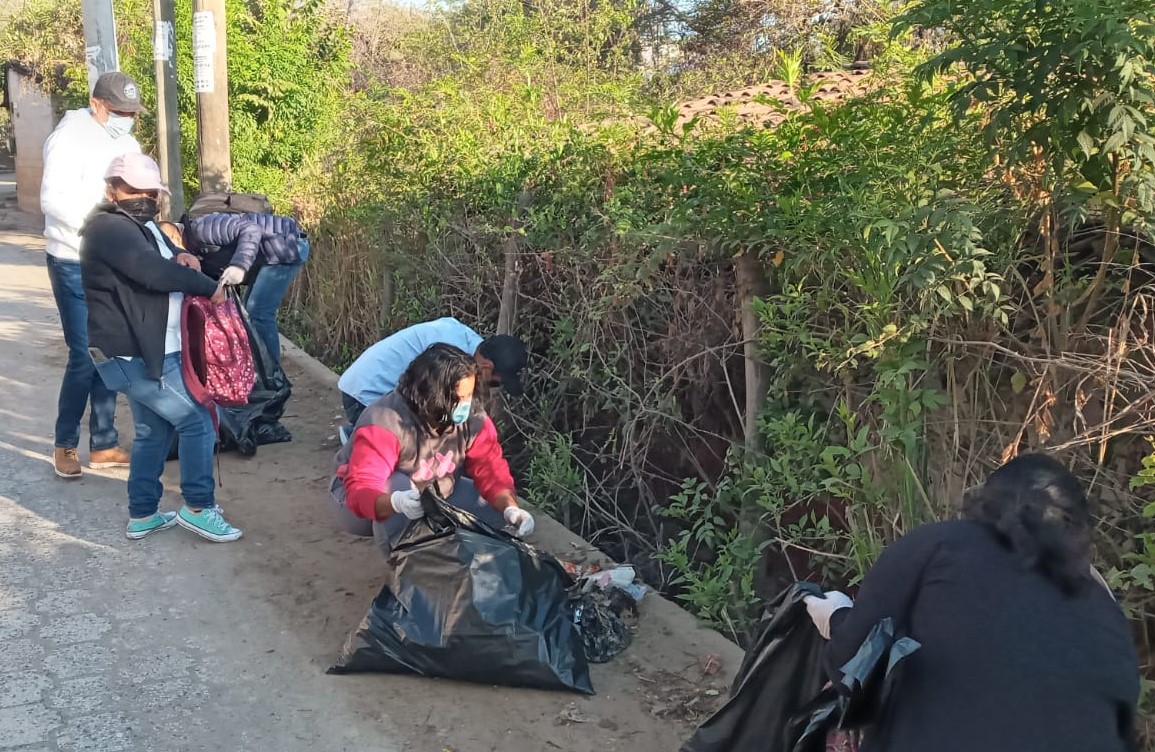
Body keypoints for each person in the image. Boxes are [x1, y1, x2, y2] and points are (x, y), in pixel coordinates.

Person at [803, 453, 1140, 752]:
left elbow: (853, 661)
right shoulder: (1105, 611)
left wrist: (835, 616)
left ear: (988, 500)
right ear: (1079, 527)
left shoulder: (938, 546)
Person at [80, 153, 244, 543]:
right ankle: (199, 507)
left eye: (150, 191)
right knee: (197, 419)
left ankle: (143, 514)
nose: (143, 197)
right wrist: (210, 288)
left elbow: (163, 258)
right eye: (133, 189)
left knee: (153, 431)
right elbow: (151, 272)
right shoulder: (109, 228)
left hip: (151, 348)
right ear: (112, 190)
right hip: (132, 354)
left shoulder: (140, 225)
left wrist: (180, 254)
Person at [328, 343, 534, 557]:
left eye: (469, 396)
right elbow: (363, 489)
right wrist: (396, 503)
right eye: (459, 399)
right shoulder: (384, 422)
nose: (467, 404)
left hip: (432, 492)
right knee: (397, 485)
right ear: (434, 395)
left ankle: (436, 538)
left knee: (494, 509)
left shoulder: (473, 419)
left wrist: (511, 508)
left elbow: (491, 470)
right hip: (359, 504)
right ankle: (405, 564)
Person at [40, 71, 145, 478]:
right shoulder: (67, 140)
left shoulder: (127, 142)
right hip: (72, 259)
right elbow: (51, 200)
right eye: (119, 110)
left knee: (111, 349)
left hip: (114, 261)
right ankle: (65, 443)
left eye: (131, 112)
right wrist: (98, 229)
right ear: (97, 103)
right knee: (84, 355)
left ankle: (103, 443)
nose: (126, 118)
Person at [337, 317, 528, 433]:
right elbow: (431, 411)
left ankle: (359, 429)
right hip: (364, 396)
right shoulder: (449, 357)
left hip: (367, 386)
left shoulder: (468, 345)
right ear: (486, 365)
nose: (494, 386)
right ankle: (358, 433)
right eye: (496, 381)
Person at [182, 212, 309, 367]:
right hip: (272, 251)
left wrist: (239, 265)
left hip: (286, 245)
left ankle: (272, 375)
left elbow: (251, 229)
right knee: (248, 312)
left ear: (175, 236)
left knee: (258, 312)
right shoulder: (194, 245)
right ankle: (259, 368)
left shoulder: (202, 228)